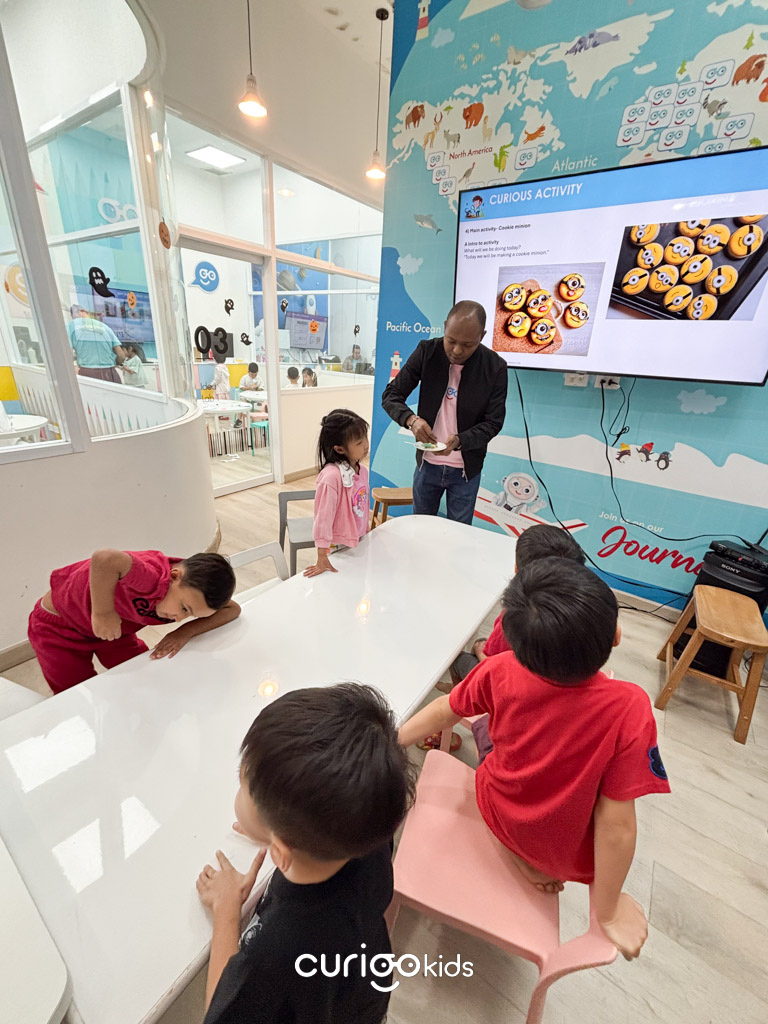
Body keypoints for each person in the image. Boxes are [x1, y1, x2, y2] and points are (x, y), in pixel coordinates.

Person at [398, 558, 670, 961]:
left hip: (496, 807)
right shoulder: (630, 706)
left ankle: (515, 850)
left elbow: (444, 711)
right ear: (615, 635)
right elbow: (617, 826)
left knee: (488, 747)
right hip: (557, 852)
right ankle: (529, 857)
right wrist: (609, 910)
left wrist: (392, 740)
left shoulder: (498, 669)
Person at [196, 683, 415, 1024]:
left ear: (282, 852)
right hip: (361, 999)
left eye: (243, 784)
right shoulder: (369, 835)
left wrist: (226, 910)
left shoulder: (276, 949)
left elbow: (219, 1013)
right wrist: (272, 830)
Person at [426, 523, 587, 756]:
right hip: (556, 691)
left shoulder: (517, 617)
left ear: (516, 568)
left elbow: (497, 667)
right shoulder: (582, 609)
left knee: (456, 655)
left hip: (515, 691)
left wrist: (480, 651)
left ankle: (458, 702)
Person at [28, 549, 239, 694]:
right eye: (184, 608)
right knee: (75, 693)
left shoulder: (195, 592)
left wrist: (183, 632)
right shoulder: (152, 576)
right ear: (174, 576)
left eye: (190, 615)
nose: (179, 619)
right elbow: (105, 558)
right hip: (59, 628)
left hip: (116, 632)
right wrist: (103, 613)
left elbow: (232, 609)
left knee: (146, 674)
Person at [381, 300, 507, 525]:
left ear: (482, 336)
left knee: (458, 533)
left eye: (467, 345)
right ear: (445, 326)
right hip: (427, 464)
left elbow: (494, 422)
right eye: (451, 341)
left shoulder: (494, 366)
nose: (457, 351)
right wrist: (411, 420)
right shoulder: (427, 352)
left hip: (466, 471)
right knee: (421, 528)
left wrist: (461, 440)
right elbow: (391, 395)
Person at [304, 409, 370, 578]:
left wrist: (366, 531)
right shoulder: (331, 477)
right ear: (340, 449)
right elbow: (323, 518)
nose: (366, 445)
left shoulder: (362, 471)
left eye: (365, 437)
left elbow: (362, 507)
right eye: (359, 442)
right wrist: (321, 556)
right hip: (339, 545)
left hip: (358, 539)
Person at [67, 304, 124, 383]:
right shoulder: (104, 326)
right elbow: (121, 355)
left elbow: (67, 354)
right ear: (84, 312)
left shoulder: (70, 326)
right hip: (111, 373)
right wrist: (115, 363)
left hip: (88, 373)